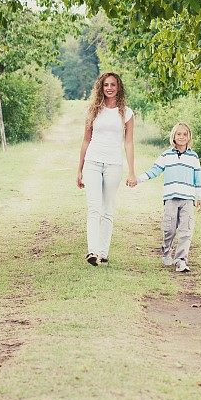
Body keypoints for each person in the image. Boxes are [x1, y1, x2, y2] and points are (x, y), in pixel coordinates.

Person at [77, 72, 135, 266]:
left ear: (118, 88)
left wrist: (132, 171)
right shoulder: (93, 110)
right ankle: (92, 251)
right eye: (106, 85)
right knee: (94, 208)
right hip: (93, 162)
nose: (109, 88)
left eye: (113, 85)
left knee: (108, 209)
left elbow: (128, 143)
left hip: (113, 164)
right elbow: (86, 140)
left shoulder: (126, 113)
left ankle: (103, 252)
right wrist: (80, 169)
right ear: (101, 88)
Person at [130, 122, 201, 273]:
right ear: (173, 137)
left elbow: (198, 180)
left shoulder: (193, 157)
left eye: (185, 134)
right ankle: (166, 249)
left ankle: (181, 260)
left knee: (186, 230)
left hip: (188, 199)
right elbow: (154, 171)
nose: (182, 137)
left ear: (189, 137)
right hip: (171, 198)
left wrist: (199, 197)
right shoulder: (166, 155)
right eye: (178, 134)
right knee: (169, 229)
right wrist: (138, 179)